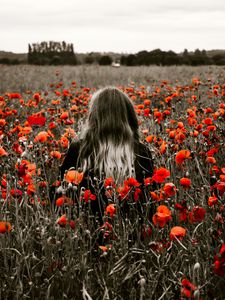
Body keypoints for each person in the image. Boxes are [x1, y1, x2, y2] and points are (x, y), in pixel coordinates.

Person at [56, 86, 155, 228]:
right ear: (129, 117)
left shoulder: (79, 149)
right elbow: (150, 202)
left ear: (94, 116)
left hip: (87, 231)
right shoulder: (141, 151)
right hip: (133, 231)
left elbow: (60, 192)